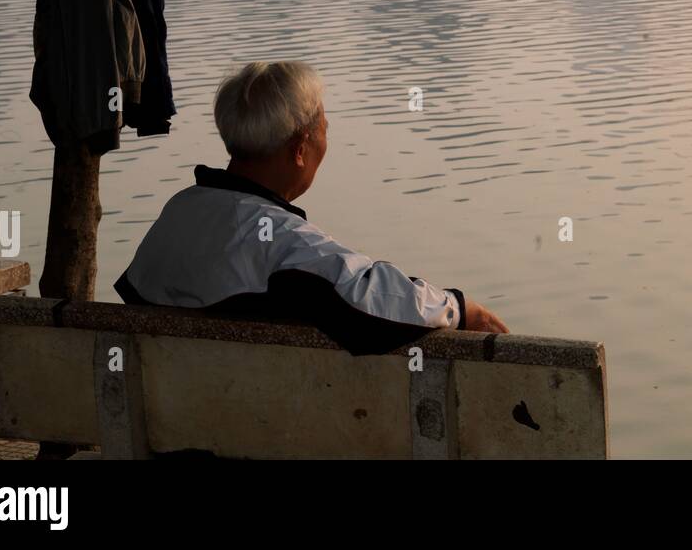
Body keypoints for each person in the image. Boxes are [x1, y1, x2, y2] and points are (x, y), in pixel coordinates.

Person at [114, 61, 508, 352]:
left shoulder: (178, 212)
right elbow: (373, 300)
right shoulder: (279, 240)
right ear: (300, 149)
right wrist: (459, 308)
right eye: (324, 131)